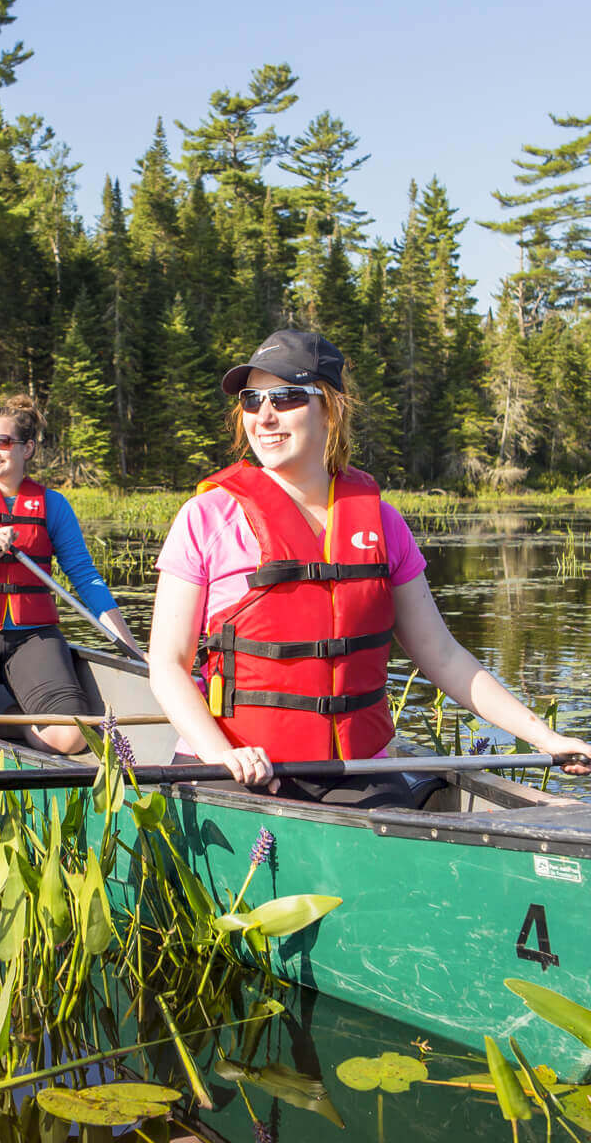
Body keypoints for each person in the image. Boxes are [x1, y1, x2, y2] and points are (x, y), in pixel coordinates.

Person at [149, 329, 591, 803]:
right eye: (252, 400)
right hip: (232, 766)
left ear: (330, 408)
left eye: (287, 396)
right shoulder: (206, 518)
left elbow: (442, 655)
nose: (265, 416)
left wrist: (545, 737)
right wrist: (222, 755)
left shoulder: (383, 524)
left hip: (353, 767)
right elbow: (168, 665)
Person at [0, 394, 143, 753]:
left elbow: (86, 579)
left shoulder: (53, 505)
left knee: (72, 737)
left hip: (30, 636)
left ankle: (5, 719)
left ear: (28, 448)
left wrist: (132, 650)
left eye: (2, 442)